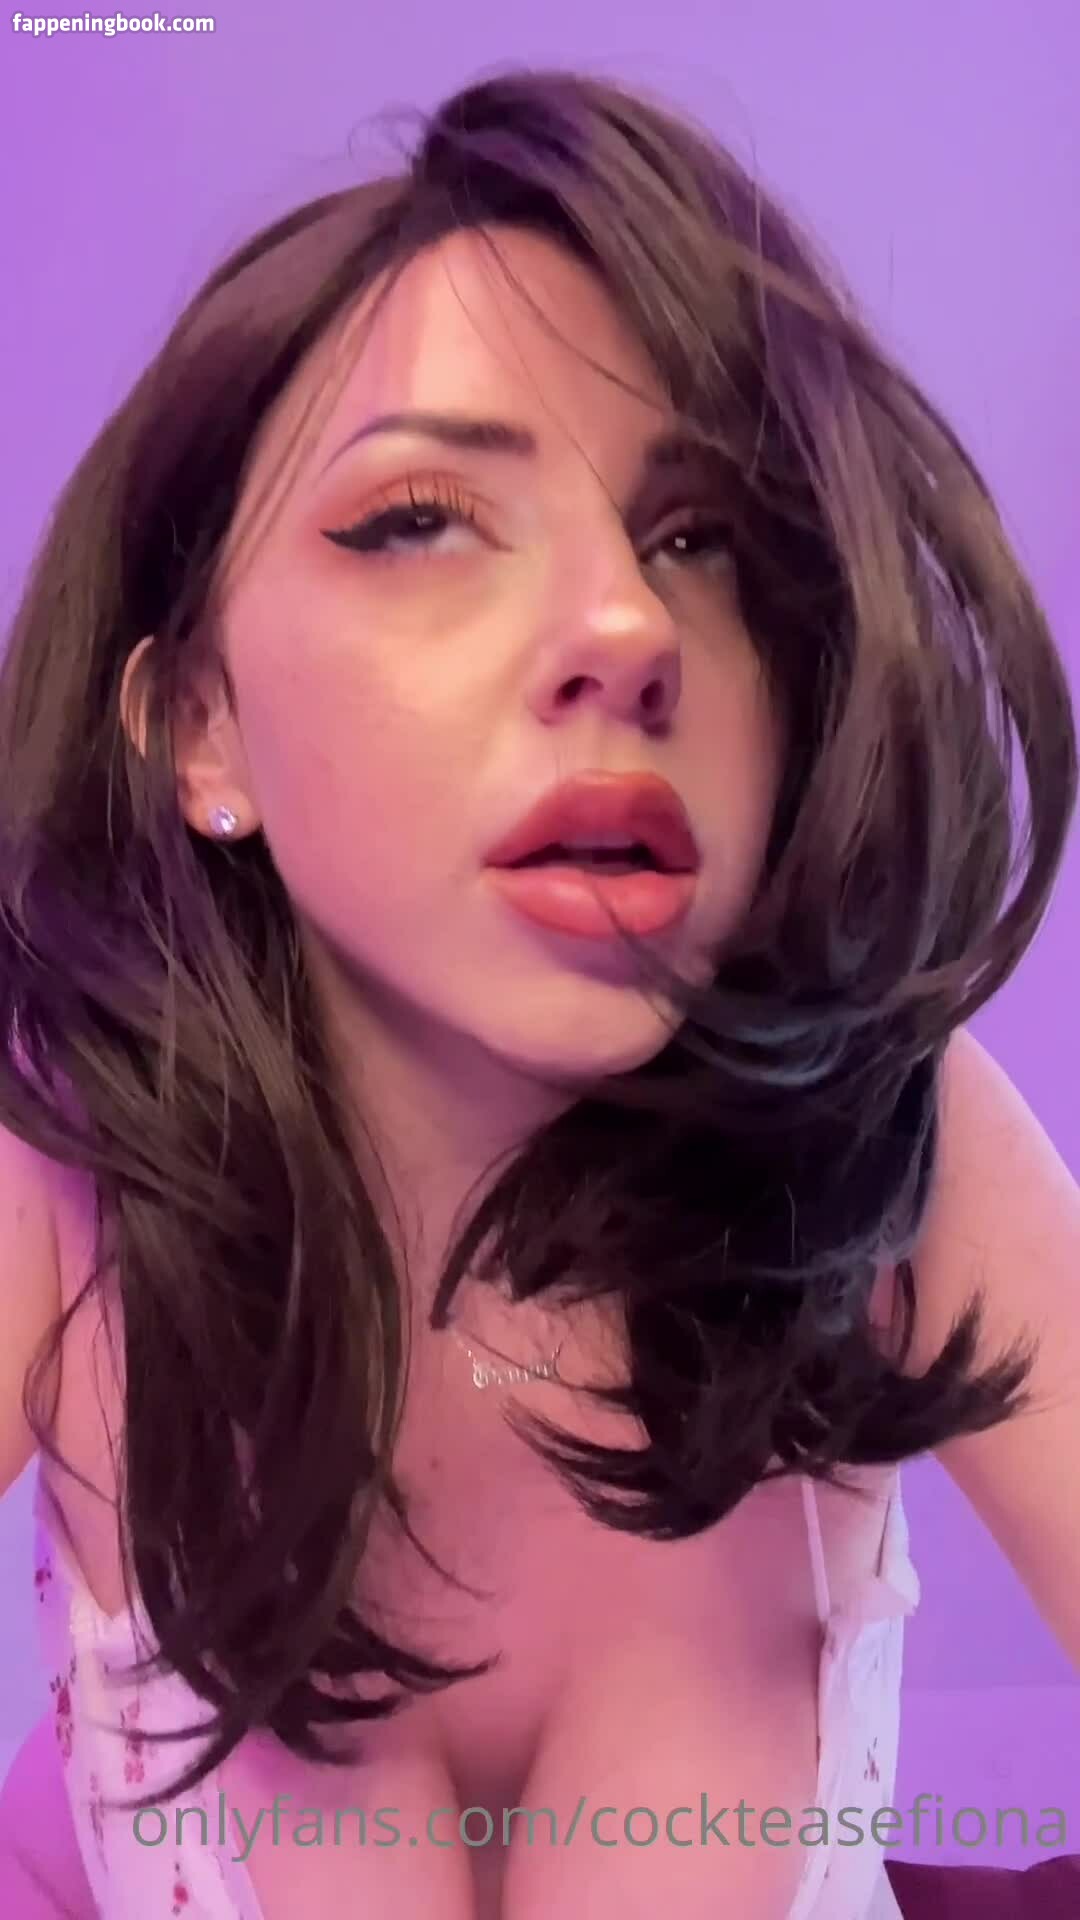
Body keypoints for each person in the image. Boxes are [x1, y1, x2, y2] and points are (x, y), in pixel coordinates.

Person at [0, 64, 1077, 1920]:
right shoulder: (63, 1185)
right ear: (200, 726)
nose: (628, 631)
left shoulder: (894, 1151)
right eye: (422, 518)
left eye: (699, 537)